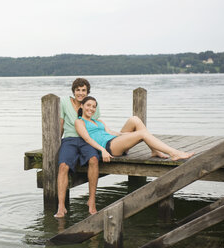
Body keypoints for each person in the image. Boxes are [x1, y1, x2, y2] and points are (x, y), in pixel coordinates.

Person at [75, 96, 195, 165]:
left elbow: (112, 133)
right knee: (142, 133)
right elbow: (87, 138)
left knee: (135, 119)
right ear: (82, 106)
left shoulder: (99, 121)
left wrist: (128, 135)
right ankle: (174, 153)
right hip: (108, 147)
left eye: (94, 106)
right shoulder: (79, 122)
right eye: (88, 105)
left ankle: (154, 151)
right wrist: (102, 151)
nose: (91, 108)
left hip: (115, 141)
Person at [55, 78, 101, 218]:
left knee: (94, 159)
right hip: (69, 139)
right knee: (63, 166)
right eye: (78, 90)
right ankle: (61, 206)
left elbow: (95, 125)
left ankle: (91, 201)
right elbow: (61, 124)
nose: (80, 93)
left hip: (87, 138)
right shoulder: (64, 102)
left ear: (87, 92)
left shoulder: (92, 104)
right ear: (73, 91)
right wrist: (56, 145)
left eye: (83, 90)